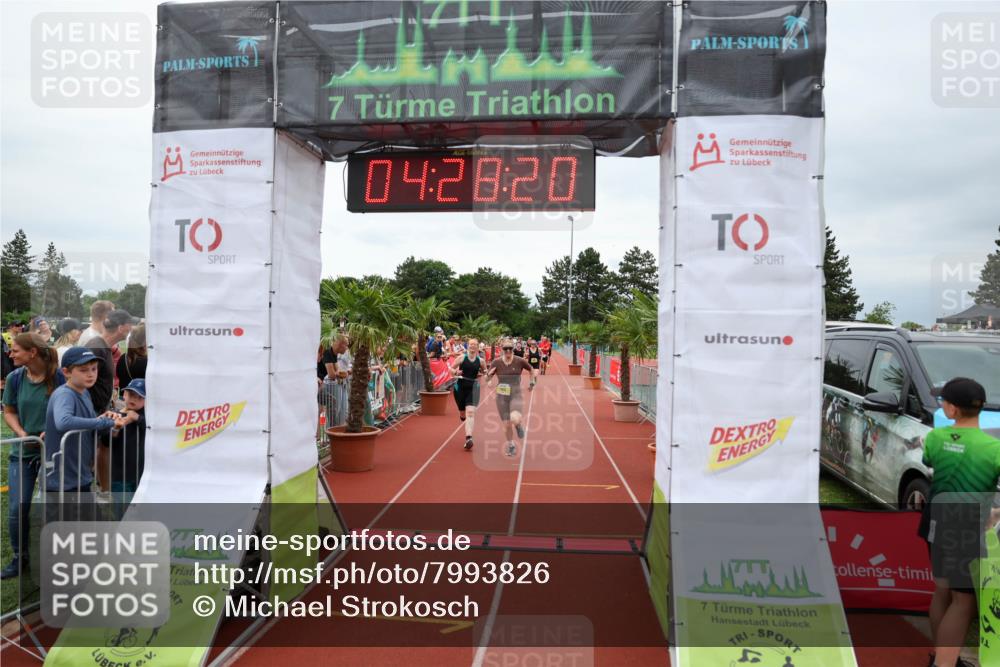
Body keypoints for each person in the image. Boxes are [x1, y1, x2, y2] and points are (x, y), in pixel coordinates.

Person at [920, 377, 1000, 667]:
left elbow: (929, 460)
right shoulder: (993, 448)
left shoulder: (934, 438)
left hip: (935, 521)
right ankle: (944, 663)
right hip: (967, 526)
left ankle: (940, 657)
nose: (941, 405)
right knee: (963, 600)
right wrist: (995, 513)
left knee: (942, 591)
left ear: (952, 409)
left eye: (943, 401)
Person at [1, 333, 65, 579]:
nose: (10, 354)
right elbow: (8, 411)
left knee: (54, 508)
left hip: (55, 454)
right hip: (23, 453)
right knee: (18, 507)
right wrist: (22, 433)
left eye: (15, 350)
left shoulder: (59, 377)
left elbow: (70, 407)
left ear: (32, 352)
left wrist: (53, 430)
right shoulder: (15, 378)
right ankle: (20, 558)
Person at [43, 347, 117, 499]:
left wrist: (109, 421)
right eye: (83, 370)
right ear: (66, 372)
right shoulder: (65, 394)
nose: (91, 374)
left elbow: (89, 424)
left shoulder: (85, 392)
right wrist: (101, 423)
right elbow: (63, 422)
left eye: (94, 369)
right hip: (62, 479)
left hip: (79, 474)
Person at [99, 378, 146, 512]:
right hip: (120, 476)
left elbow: (152, 427)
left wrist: (136, 418)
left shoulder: (146, 417)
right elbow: (106, 443)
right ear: (124, 394)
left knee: (140, 513)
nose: (134, 399)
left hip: (141, 475)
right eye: (131, 394)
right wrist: (116, 429)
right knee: (123, 513)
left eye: (139, 397)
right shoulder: (115, 416)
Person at [487, 338, 537, 457]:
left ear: (513, 349)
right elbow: (487, 378)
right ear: (502, 350)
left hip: (515, 394)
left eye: (510, 348)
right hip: (501, 397)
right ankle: (511, 445)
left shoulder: (519, 361)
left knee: (514, 419)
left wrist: (532, 382)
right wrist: (488, 376)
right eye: (506, 349)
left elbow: (531, 370)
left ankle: (518, 425)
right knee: (506, 424)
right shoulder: (496, 362)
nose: (508, 350)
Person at [85, 309, 133, 413]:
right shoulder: (97, 348)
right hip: (93, 413)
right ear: (120, 328)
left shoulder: (103, 347)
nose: (131, 330)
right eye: (129, 326)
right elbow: (82, 383)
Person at [450, 338, 486, 451]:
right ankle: (462, 416)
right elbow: (451, 369)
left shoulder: (481, 361)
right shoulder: (461, 358)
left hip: (473, 387)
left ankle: (468, 438)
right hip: (460, 387)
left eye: (475, 344)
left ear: (477, 347)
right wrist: (456, 372)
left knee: (470, 412)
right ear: (468, 346)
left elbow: (485, 372)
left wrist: (485, 374)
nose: (473, 346)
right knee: (463, 413)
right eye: (471, 344)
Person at [116, 324, 147, 388]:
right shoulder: (146, 363)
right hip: (139, 397)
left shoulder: (122, 358)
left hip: (124, 396)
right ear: (144, 341)